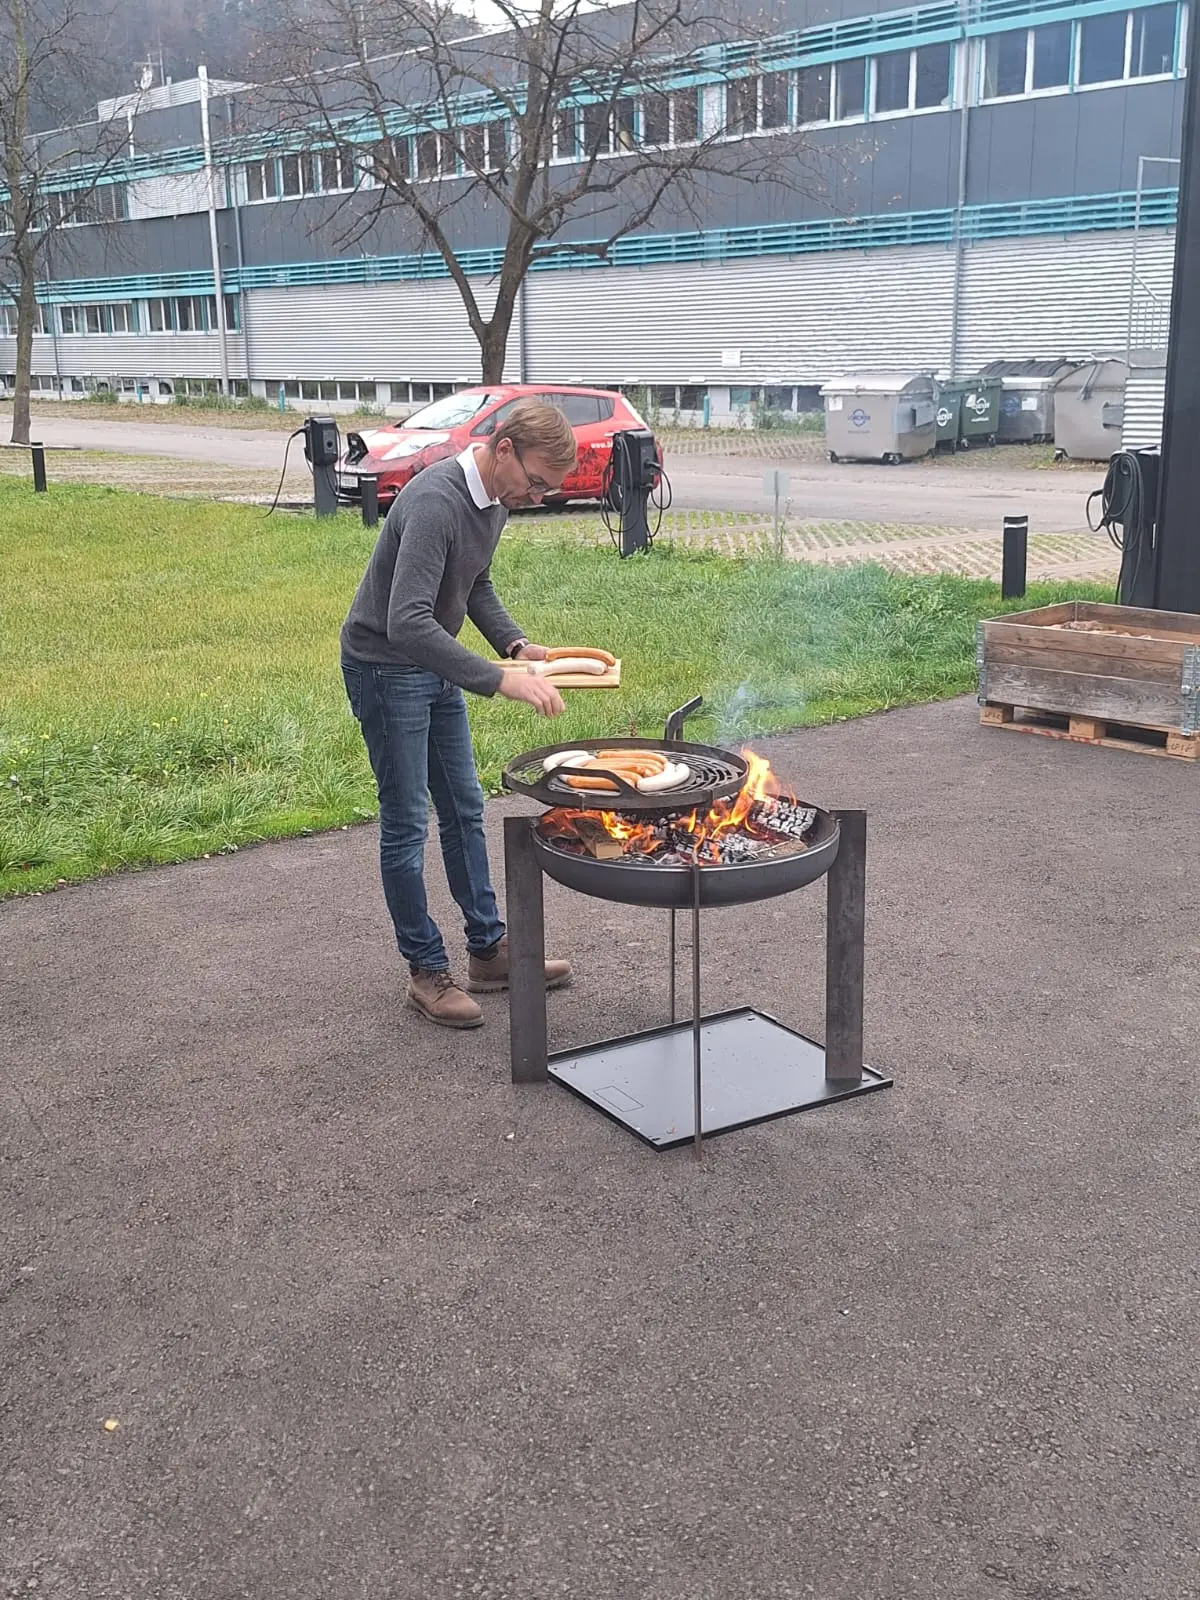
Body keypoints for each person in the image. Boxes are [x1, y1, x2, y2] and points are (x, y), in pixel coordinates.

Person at [340, 398, 578, 1029]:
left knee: (465, 807)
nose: (534, 497)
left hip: (433, 662)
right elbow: (407, 622)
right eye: (535, 483)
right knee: (407, 822)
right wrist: (500, 680)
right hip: (386, 666)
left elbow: (473, 583)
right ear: (504, 449)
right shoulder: (435, 501)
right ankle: (425, 971)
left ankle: (488, 951)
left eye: (546, 490)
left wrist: (516, 645)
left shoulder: (493, 500)